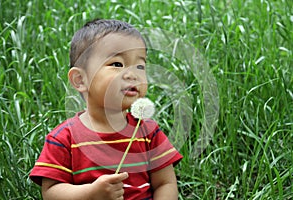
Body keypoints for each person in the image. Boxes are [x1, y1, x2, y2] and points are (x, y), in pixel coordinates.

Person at [30, 19, 182, 200]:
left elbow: (166, 183)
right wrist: (91, 193)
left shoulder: (149, 133)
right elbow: (50, 192)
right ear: (80, 79)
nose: (132, 74)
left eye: (140, 66)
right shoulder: (64, 138)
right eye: (117, 64)